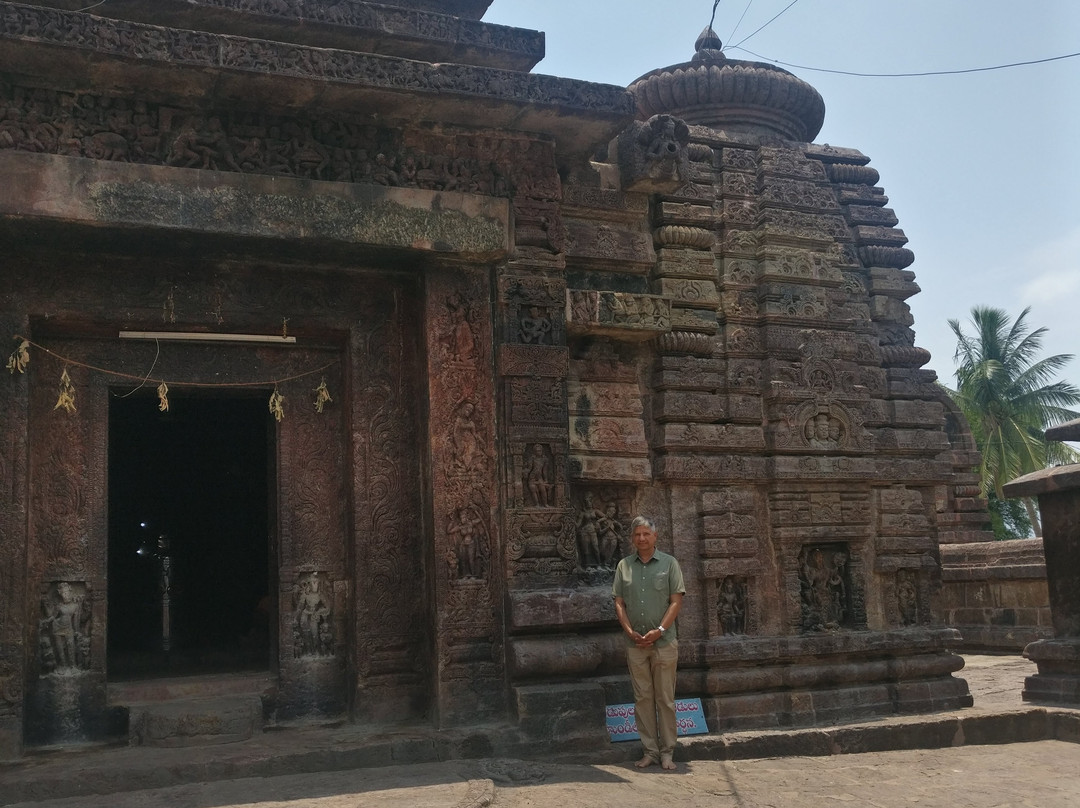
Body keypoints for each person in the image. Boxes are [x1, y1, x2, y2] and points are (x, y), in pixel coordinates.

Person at [612, 516, 686, 771]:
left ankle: (667, 752)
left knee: (665, 698)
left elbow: (676, 601)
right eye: (637, 534)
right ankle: (650, 751)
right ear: (632, 538)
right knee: (642, 698)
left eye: (646, 534)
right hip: (635, 644)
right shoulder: (624, 566)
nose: (641, 538)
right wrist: (629, 631)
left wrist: (660, 630)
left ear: (655, 536)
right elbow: (619, 602)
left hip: (663, 642)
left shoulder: (669, 564)